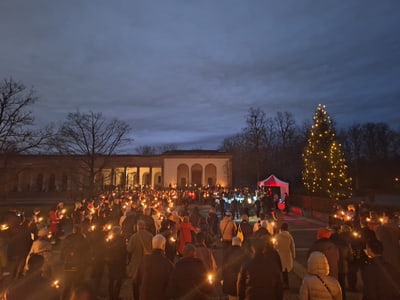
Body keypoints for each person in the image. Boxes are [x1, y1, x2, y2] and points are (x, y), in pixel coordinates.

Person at [136, 234, 174, 300]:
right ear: (163, 246)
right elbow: (171, 287)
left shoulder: (144, 261)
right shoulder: (168, 264)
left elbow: (136, 281)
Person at [60, 224, 90, 300]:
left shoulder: (67, 238)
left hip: (67, 265)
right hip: (79, 266)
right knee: (77, 286)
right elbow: (87, 253)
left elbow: (62, 251)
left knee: (67, 286)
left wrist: (63, 259)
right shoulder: (83, 239)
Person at [126, 220, 153, 300]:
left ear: (137, 226)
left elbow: (129, 249)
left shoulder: (134, 237)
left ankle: (136, 298)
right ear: (144, 226)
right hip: (147, 263)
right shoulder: (150, 236)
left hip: (136, 263)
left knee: (136, 283)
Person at [104, 226, 127, 300]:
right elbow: (124, 252)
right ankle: (116, 296)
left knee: (111, 280)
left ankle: (111, 296)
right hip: (119, 263)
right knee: (118, 281)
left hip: (111, 262)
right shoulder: (121, 240)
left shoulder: (110, 240)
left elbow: (106, 250)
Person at [274, 223, 295, 289]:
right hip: (288, 255)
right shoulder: (290, 236)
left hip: (280, 256)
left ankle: (282, 284)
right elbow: (292, 247)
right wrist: (293, 256)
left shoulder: (277, 236)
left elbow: (275, 246)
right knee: (286, 272)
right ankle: (287, 284)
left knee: (281, 271)